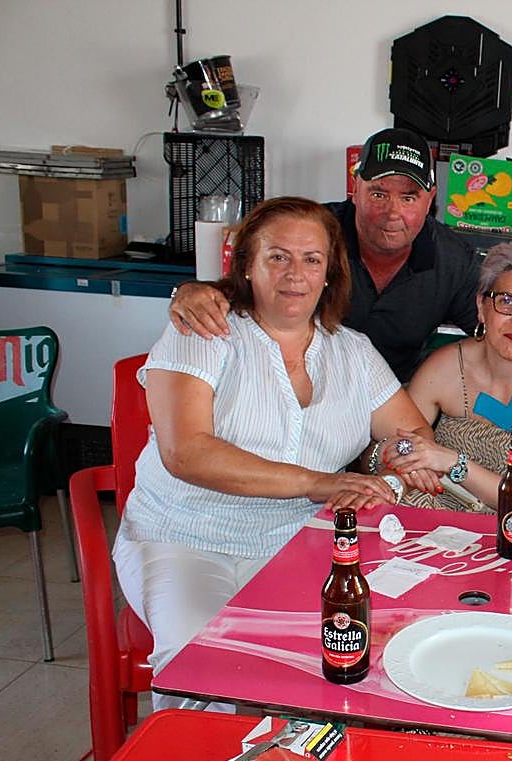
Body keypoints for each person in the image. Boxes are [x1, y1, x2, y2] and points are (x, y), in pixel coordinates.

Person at [113, 196, 437, 710]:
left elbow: (411, 435)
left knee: (362, 646)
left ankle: (305, 758)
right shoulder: (203, 331)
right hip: (185, 537)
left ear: (329, 273)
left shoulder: (351, 351)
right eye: (278, 256)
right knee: (201, 666)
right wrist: (318, 483)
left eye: (311, 259)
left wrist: (391, 473)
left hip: (299, 542)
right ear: (246, 264)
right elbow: (187, 453)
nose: (295, 274)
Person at [168, 127, 512, 382]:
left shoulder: (451, 258)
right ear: (356, 189)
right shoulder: (316, 234)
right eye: (379, 194)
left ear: (431, 199)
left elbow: (496, 320)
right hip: (292, 393)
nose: (392, 212)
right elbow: (243, 290)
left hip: (390, 403)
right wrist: (193, 292)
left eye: (409, 197)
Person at [377, 242, 512, 521]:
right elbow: (394, 443)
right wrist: (406, 462)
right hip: (449, 514)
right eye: (507, 302)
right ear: (481, 305)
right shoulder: (444, 368)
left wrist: (450, 461)